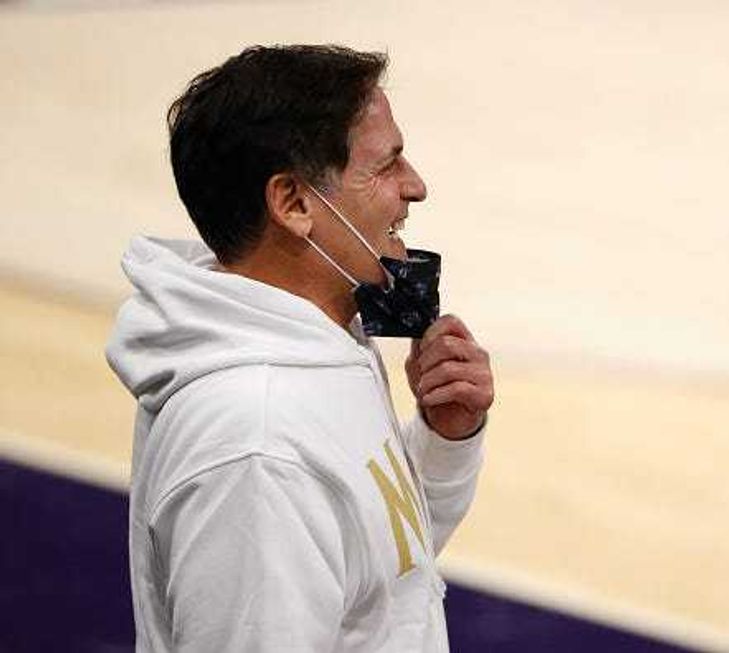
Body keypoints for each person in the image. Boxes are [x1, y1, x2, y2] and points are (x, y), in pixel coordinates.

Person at [106, 44, 494, 652]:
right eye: (385, 165)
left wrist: (445, 440)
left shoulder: (320, 337)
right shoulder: (255, 446)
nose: (415, 186)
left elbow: (382, 575)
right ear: (292, 203)